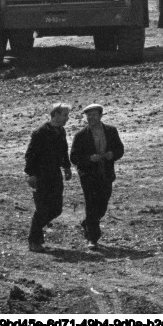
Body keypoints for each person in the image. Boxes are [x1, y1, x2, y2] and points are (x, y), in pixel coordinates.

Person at [70, 103, 124, 250]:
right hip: (88, 175)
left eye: (93, 115)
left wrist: (112, 154)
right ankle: (92, 238)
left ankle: (88, 222)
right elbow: (74, 157)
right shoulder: (80, 135)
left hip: (106, 173)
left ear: (100, 115)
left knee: (103, 204)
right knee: (91, 204)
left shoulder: (111, 131)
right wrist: (89, 159)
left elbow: (120, 149)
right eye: (88, 116)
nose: (90, 118)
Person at [24, 103, 72, 252]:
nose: (67, 118)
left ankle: (36, 235)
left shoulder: (60, 131)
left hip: (55, 173)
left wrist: (67, 166)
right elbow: (30, 155)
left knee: (56, 208)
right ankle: (34, 240)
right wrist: (31, 175)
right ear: (55, 115)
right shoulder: (40, 132)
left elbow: (64, 150)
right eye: (64, 115)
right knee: (42, 208)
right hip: (41, 174)